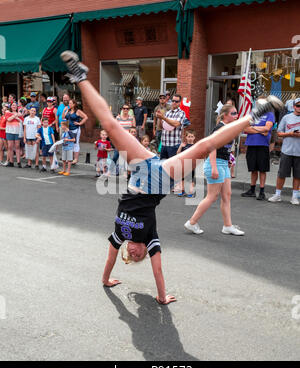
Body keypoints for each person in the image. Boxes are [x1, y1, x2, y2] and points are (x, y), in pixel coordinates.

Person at [60, 50, 283, 303]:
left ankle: (80, 77)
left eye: (130, 254)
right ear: (144, 251)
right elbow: (158, 270)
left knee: (111, 127)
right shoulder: (150, 238)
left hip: (141, 168)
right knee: (203, 147)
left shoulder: (119, 235)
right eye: (137, 255)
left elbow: (111, 258)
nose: (132, 251)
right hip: (159, 180)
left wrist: (105, 279)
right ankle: (253, 115)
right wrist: (162, 297)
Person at [184, 105, 244, 235]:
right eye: (233, 113)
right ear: (225, 115)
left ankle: (227, 226)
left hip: (223, 164)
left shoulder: (228, 128)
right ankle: (192, 222)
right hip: (215, 163)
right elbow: (211, 147)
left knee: (226, 195)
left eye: (236, 113)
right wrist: (214, 168)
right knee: (212, 196)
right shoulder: (220, 128)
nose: (236, 115)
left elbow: (225, 148)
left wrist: (228, 159)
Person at [241, 96, 275, 200]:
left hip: (263, 145)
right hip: (251, 144)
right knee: (253, 169)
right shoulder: (252, 114)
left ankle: (262, 191)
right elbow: (245, 128)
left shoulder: (270, 114)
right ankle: (252, 190)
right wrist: (261, 130)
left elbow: (268, 128)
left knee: (262, 169)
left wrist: (253, 128)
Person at [268, 97, 300, 205]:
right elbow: (279, 133)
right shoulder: (286, 118)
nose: (299, 108)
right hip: (287, 150)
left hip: (299, 152)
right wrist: (290, 134)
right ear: (294, 106)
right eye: (297, 105)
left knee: (297, 175)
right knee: (282, 174)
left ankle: (294, 197)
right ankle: (277, 195)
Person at [158, 94, 186, 160]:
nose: (174, 103)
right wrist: (159, 117)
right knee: (163, 166)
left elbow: (176, 124)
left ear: (180, 102)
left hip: (174, 145)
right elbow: (161, 126)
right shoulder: (167, 113)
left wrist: (163, 118)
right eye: (173, 101)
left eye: (176, 101)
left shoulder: (181, 113)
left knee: (172, 168)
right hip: (164, 144)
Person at [62, 99, 88, 165]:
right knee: (70, 143)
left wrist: (80, 123)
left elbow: (85, 117)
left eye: (70, 103)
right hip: (69, 129)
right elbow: (63, 118)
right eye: (69, 103)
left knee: (75, 143)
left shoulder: (78, 111)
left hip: (75, 129)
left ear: (74, 104)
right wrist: (64, 111)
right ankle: (70, 158)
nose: (69, 105)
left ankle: (76, 159)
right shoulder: (68, 110)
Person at [176, 129, 196, 197]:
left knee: (190, 179)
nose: (190, 138)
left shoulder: (195, 146)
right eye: (189, 136)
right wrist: (180, 146)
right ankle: (182, 190)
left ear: (194, 137)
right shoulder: (184, 146)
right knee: (182, 179)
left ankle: (191, 192)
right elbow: (178, 153)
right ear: (186, 137)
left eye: (192, 136)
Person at [4, 102, 23, 168]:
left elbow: (21, 121)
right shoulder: (7, 112)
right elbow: (8, 119)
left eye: (15, 105)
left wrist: (17, 117)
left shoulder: (19, 114)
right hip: (9, 131)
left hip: (17, 131)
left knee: (17, 146)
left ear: (17, 107)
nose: (14, 106)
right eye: (13, 105)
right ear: (11, 107)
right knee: (10, 146)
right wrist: (15, 115)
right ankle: (11, 162)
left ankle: (18, 162)